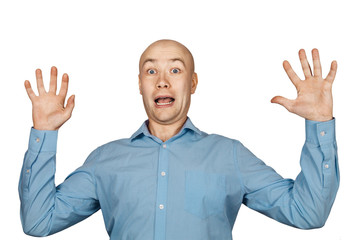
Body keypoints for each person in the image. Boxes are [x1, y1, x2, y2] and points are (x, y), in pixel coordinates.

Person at [19, 39, 339, 239]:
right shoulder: (105, 160)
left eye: (175, 70)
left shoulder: (229, 155)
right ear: (140, 85)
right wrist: (44, 134)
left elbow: (307, 212)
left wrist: (320, 123)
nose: (161, 81)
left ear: (193, 82)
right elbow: (39, 222)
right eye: (150, 72)